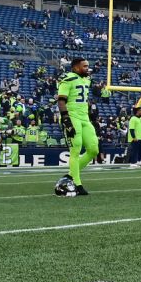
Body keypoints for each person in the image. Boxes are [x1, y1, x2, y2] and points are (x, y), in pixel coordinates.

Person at [56, 57, 96, 196]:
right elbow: (61, 101)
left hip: (84, 117)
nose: (87, 68)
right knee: (76, 149)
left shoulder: (87, 80)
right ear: (75, 67)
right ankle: (78, 185)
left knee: (93, 149)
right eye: (84, 66)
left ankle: (70, 175)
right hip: (72, 116)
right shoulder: (68, 78)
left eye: (87, 66)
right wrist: (66, 119)